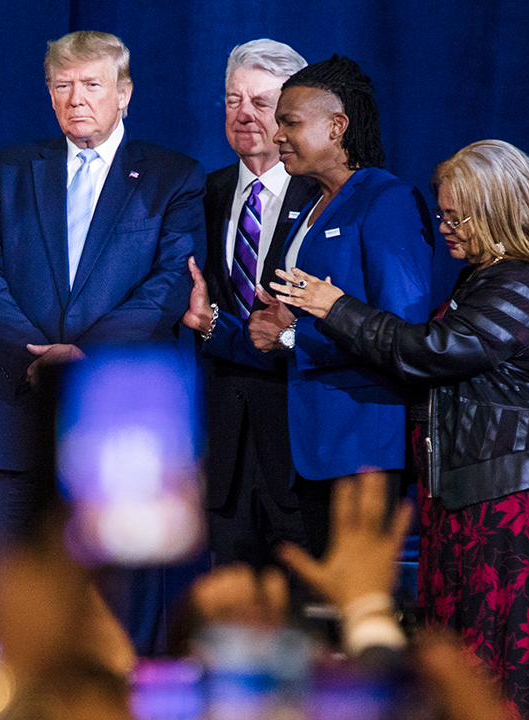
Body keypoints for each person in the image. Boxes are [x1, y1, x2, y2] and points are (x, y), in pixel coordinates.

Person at [272, 139, 529, 720]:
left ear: (502, 209)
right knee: (473, 654)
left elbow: (432, 351)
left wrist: (335, 306)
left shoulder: (526, 282)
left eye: (459, 216)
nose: (445, 227)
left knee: (511, 657)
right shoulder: (483, 280)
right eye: (443, 213)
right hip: (490, 489)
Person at [0, 30, 203, 548]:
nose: (76, 99)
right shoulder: (8, 170)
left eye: (92, 84)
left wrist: (84, 355)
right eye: (62, 85)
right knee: (23, 597)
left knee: (120, 607)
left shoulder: (172, 176)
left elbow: (169, 284)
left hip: (121, 413)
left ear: (124, 93)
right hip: (20, 403)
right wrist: (36, 353)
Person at [190, 55, 434, 557]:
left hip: (361, 448)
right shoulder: (316, 205)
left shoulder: (386, 200)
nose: (277, 135)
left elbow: (403, 332)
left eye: (289, 122)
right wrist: (213, 323)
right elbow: (285, 333)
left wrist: (293, 335)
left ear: (338, 126)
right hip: (310, 449)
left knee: (350, 610)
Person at [191, 39, 318, 568]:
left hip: (297, 449)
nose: (243, 115)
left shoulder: (323, 195)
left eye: (261, 103)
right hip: (222, 448)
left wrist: (213, 326)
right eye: (231, 100)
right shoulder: (202, 193)